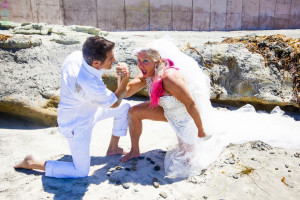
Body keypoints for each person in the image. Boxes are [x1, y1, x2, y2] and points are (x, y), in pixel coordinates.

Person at [121, 38, 300, 178]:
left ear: (156, 60)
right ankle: (135, 150)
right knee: (134, 112)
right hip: (168, 111)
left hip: (186, 118)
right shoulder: (148, 74)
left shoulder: (169, 78)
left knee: (189, 161)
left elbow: (191, 104)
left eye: (145, 60)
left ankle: (201, 137)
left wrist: (200, 128)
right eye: (138, 60)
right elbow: (127, 92)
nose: (141, 64)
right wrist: (124, 78)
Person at [14, 36, 130, 178]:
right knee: (80, 171)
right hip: (76, 126)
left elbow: (111, 100)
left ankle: (113, 148)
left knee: (125, 107)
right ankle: (31, 163)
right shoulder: (88, 83)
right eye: (111, 58)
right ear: (96, 63)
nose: (115, 60)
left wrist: (119, 77)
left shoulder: (75, 56)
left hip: (89, 110)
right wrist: (124, 81)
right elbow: (114, 102)